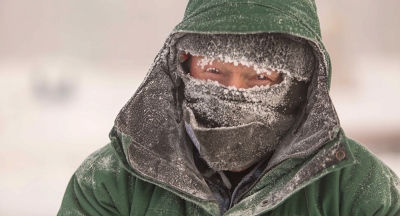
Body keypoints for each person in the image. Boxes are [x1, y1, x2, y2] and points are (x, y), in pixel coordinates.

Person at [58, 0, 400, 215]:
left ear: (301, 82)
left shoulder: (358, 190)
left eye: (260, 76)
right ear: (183, 64)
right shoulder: (110, 183)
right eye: (214, 71)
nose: (233, 91)